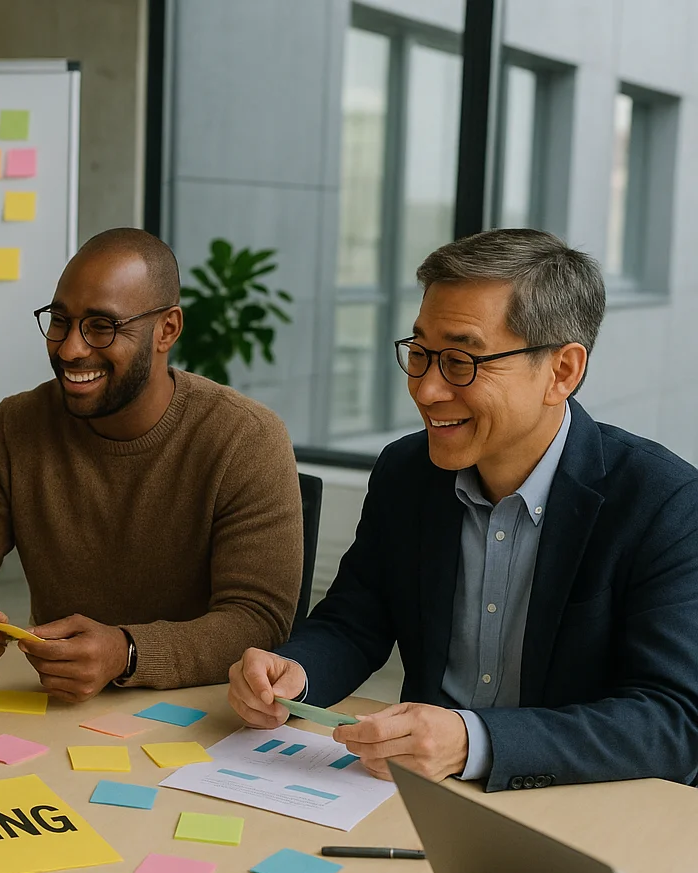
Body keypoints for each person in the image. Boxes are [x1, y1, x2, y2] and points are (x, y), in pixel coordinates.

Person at [228, 228, 698, 792]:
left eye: (460, 361)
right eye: (420, 354)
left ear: (562, 372)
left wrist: (475, 741)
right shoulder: (407, 472)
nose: (425, 390)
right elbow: (355, 620)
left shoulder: (661, 500)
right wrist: (296, 675)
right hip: (416, 798)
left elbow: (673, 720)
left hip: (581, 814)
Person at [0, 227, 304, 702]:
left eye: (101, 326)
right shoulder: (16, 426)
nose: (71, 348)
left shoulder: (246, 438)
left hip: (202, 715)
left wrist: (128, 652)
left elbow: (258, 619)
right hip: (58, 708)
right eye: (59, 320)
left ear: (167, 329)